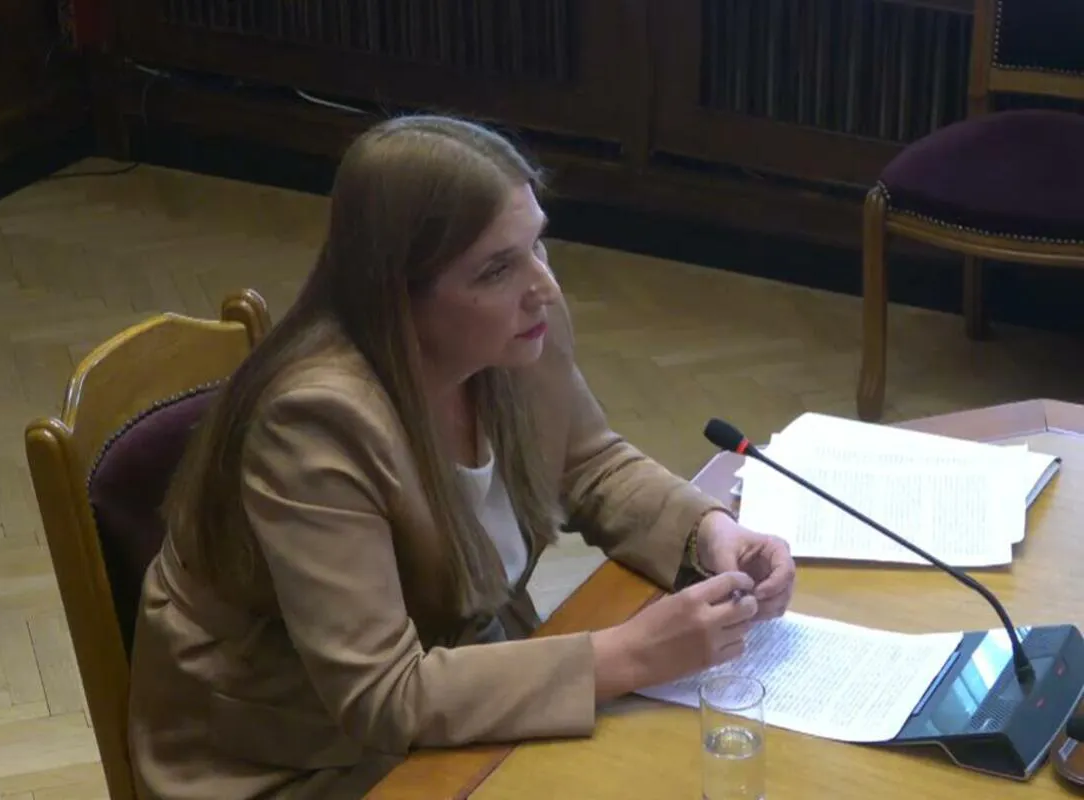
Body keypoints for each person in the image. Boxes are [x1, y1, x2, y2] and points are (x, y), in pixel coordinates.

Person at [126, 114, 796, 799]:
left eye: (537, 244)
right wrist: (628, 654)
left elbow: (590, 463)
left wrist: (708, 532)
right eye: (498, 268)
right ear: (397, 292)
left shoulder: (515, 332)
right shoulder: (315, 425)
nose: (543, 286)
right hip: (299, 761)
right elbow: (382, 695)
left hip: (463, 685)